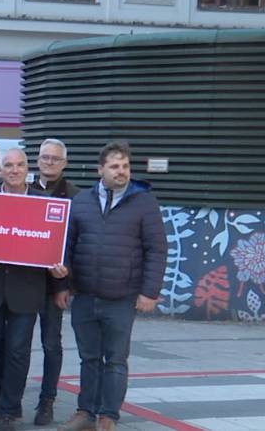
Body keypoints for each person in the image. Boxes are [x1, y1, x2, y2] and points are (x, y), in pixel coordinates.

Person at [56, 141, 166, 431]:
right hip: (84, 294)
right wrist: (63, 285)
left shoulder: (144, 202)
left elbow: (157, 249)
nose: (121, 171)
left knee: (116, 359)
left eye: (125, 166)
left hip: (121, 297)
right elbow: (67, 245)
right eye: (115, 166)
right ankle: (85, 412)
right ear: (100, 170)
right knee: (88, 358)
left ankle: (108, 416)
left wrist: (149, 292)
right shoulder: (82, 201)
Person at [0, 150, 68, 431]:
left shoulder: (44, 202)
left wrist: (59, 273)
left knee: (17, 353)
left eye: (19, 165)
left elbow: (55, 245)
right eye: (8, 165)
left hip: (26, 290)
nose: (14, 170)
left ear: (27, 169)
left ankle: (10, 412)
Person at [29, 138, 78, 426]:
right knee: (16, 345)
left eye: (55, 158)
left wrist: (65, 284)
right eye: (45, 157)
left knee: (51, 344)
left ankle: (47, 400)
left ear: (64, 163)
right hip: (23, 282)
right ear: (38, 160)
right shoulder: (24, 191)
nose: (49, 162)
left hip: (53, 286)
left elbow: (76, 244)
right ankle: (7, 397)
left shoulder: (75, 196)